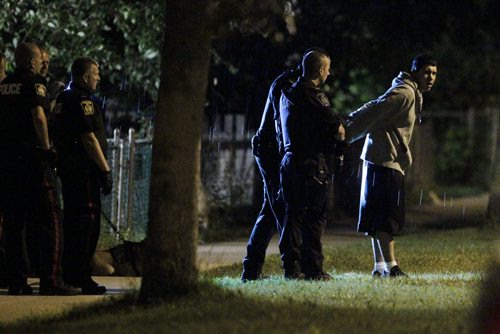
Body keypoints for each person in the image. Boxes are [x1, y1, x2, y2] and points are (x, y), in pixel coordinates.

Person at [345, 54, 438, 278]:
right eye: (426, 72)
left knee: (376, 218)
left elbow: (377, 107)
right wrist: (347, 130)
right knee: (386, 218)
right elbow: (376, 109)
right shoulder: (405, 93)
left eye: (434, 73)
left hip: (381, 159)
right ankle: (392, 267)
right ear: (415, 71)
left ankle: (380, 267)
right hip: (384, 161)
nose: (431, 77)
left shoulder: (409, 91)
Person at [0, 42, 81, 295]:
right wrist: (47, 148)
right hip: (34, 162)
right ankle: (51, 280)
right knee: (52, 218)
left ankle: (17, 281)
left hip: (8, 163)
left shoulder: (3, 87)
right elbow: (38, 115)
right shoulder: (35, 83)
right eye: (38, 60)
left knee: (14, 224)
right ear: (32, 61)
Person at [279, 50, 345, 280]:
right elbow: (336, 129)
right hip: (311, 164)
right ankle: (313, 269)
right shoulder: (313, 95)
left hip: (289, 161)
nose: (328, 72)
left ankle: (291, 268)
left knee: (293, 215)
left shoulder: (287, 93)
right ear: (319, 70)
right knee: (314, 218)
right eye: (327, 68)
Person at [52, 57, 112, 295]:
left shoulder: (63, 99)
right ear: (85, 76)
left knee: (73, 222)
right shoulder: (82, 101)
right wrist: (105, 169)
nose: (98, 78)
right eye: (96, 73)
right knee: (86, 225)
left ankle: (70, 273)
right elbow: (89, 138)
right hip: (84, 173)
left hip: (69, 172)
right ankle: (81, 276)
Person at [241, 62, 301, 282]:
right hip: (270, 151)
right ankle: (291, 267)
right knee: (280, 207)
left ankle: (252, 268)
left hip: (267, 149)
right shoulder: (288, 85)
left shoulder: (284, 81)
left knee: (270, 211)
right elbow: (281, 122)